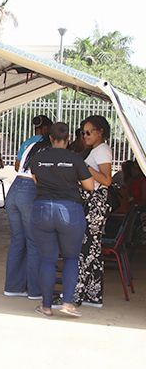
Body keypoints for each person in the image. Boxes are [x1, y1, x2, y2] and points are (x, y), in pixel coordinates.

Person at [29, 123, 95, 318]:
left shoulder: (38, 158)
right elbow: (90, 186)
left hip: (42, 209)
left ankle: (46, 307)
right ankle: (67, 303)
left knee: (48, 260)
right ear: (68, 139)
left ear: (50, 138)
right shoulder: (75, 158)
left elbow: (36, 181)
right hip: (69, 210)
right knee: (71, 258)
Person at [3, 132, 52, 300]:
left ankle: (13, 287)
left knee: (18, 240)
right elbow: (38, 177)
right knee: (34, 241)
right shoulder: (48, 149)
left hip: (14, 189)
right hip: (29, 191)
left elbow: (18, 166)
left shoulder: (31, 145)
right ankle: (35, 290)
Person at [74, 115, 114, 307]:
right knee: (94, 251)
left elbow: (107, 180)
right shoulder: (95, 150)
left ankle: (76, 295)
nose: (85, 135)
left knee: (86, 248)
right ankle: (93, 295)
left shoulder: (102, 150)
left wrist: (86, 168)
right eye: (83, 132)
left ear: (101, 132)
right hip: (92, 203)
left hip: (96, 203)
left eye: (89, 132)